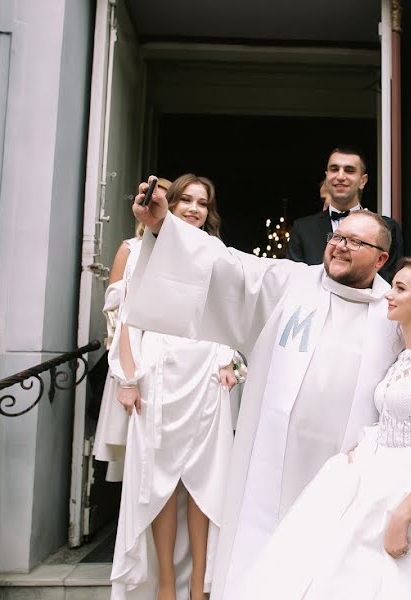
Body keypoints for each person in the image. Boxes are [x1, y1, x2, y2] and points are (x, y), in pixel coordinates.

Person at [124, 186, 403, 599]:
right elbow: (225, 267)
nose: (340, 247)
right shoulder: (291, 283)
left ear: (381, 258)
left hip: (347, 470)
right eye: (337, 237)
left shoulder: (396, 310)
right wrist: (164, 225)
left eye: (355, 242)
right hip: (273, 463)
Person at [237, 257, 411, 599]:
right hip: (377, 470)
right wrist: (361, 448)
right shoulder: (404, 355)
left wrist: (401, 515)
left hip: (410, 486)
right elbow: (393, 420)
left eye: (400, 288)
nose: (389, 295)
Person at [105, 174, 240, 600]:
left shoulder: (216, 254)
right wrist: (127, 379)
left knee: (205, 481)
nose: (194, 209)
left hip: (206, 375)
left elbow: (232, 310)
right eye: (186, 200)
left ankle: (200, 586)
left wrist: (229, 359)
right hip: (157, 372)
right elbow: (125, 321)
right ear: (171, 203)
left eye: (203, 202)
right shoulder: (138, 250)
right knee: (158, 482)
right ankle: (165, 584)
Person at [95, 177, 173, 483]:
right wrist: (125, 371)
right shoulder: (131, 249)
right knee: (136, 452)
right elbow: (115, 309)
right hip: (133, 360)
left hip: (172, 363)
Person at [287, 146, 404, 283]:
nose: (340, 176)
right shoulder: (303, 228)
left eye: (349, 170)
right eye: (334, 169)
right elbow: (294, 280)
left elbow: (388, 283)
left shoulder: (388, 228)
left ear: (363, 181)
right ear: (327, 177)